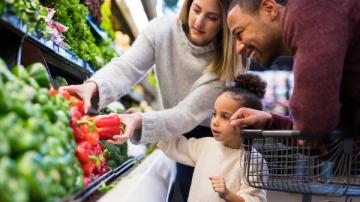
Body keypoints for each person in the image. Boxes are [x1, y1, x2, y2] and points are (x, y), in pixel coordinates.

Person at [61, 0, 239, 200]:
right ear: (188, 5)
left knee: (208, 195)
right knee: (187, 191)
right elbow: (127, 67)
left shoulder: (227, 60)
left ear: (223, 22)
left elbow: (186, 114)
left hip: (214, 137)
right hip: (177, 132)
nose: (199, 21)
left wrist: (140, 121)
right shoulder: (162, 29)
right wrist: (93, 87)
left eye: (212, 17)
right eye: (196, 9)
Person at [223, 0, 360, 136]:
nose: (238, 49)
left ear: (269, 8)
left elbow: (313, 125)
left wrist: (307, 128)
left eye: (239, 33)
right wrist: (271, 123)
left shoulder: (309, 7)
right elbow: (320, 135)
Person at [158, 73, 267, 202]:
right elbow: (175, 144)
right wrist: (143, 123)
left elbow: (256, 199)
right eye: (214, 114)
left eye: (225, 117)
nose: (215, 122)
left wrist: (228, 195)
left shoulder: (253, 161)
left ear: (247, 122)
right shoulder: (206, 146)